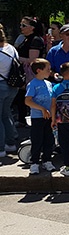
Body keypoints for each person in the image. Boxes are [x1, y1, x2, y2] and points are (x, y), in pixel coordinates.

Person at [25, 59, 56, 175]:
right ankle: (34, 162)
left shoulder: (48, 83)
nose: (50, 71)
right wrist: (41, 108)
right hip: (37, 117)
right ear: (39, 70)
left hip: (48, 118)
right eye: (47, 69)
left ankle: (47, 160)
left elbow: (52, 102)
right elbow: (28, 101)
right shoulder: (32, 84)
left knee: (49, 139)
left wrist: (53, 117)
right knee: (37, 140)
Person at [0, 25, 19, 156]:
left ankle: (1, 148)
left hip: (1, 86)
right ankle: (11, 143)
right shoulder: (11, 48)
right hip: (12, 86)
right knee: (6, 115)